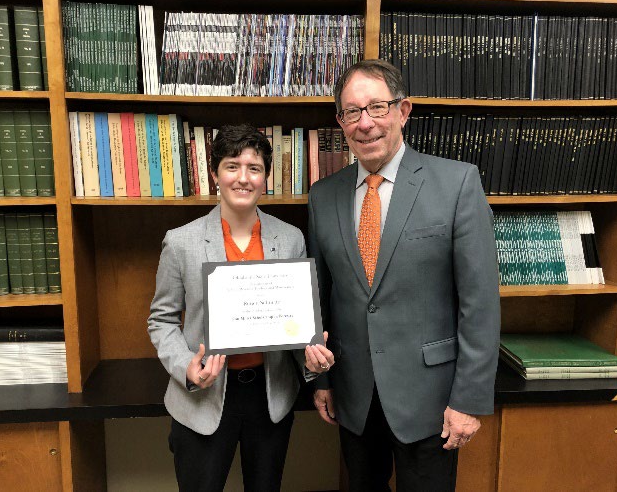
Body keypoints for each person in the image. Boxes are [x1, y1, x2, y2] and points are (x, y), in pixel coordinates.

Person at [307, 59, 501, 491]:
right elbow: (318, 298)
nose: (365, 123)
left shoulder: (457, 183)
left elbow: (480, 304)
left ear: (403, 110)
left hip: (431, 401)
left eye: (377, 107)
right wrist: (320, 379)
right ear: (340, 121)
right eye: (352, 112)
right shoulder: (324, 197)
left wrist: (467, 401)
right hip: (354, 397)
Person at [148, 124, 334, 492]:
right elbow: (162, 319)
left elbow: (294, 323)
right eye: (232, 166)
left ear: (266, 177)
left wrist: (313, 361)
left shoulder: (290, 238)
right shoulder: (181, 242)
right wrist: (187, 366)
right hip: (202, 397)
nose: (243, 178)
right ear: (215, 173)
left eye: (254, 168)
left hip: (269, 398)